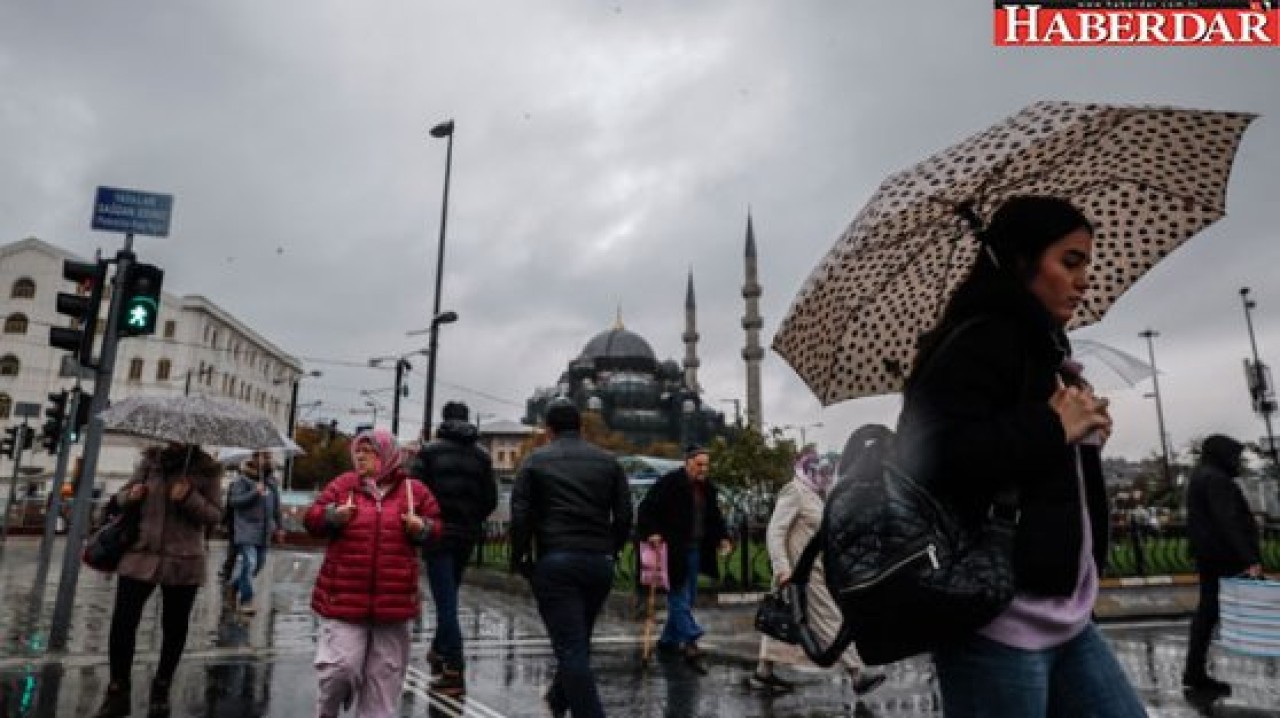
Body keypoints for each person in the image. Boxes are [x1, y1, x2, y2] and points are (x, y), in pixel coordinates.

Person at [893, 196, 1145, 716]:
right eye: (1070, 262)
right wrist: (1053, 428)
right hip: (997, 621)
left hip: (1066, 613)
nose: (1084, 281)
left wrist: (1085, 440)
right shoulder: (976, 341)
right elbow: (933, 457)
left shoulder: (1045, 351)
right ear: (1022, 261)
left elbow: (1032, 461)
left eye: (1086, 264)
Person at [304, 429, 442, 718]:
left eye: (370, 450)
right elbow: (312, 519)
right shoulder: (344, 486)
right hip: (344, 599)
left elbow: (437, 529)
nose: (361, 455)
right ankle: (327, 711)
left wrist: (422, 528)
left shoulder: (413, 491)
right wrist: (332, 516)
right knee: (339, 671)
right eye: (359, 449)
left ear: (388, 456)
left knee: (382, 688)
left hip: (393, 606)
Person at [510, 399, 633, 718]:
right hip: (598, 562)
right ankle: (557, 700)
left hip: (557, 560)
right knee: (579, 640)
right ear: (579, 427)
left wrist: (520, 557)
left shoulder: (535, 462)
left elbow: (521, 515)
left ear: (548, 430)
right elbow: (623, 515)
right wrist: (613, 549)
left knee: (571, 648)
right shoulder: (608, 462)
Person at [92, 443, 225, 718]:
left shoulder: (207, 470)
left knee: (174, 627)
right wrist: (131, 495)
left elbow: (215, 516)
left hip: (183, 561)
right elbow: (119, 498)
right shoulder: (150, 463)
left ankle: (162, 685)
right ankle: (118, 689)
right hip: (140, 554)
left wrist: (189, 497)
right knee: (123, 623)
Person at [752, 450, 886, 698]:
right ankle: (857, 673)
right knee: (832, 618)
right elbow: (774, 531)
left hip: (817, 572)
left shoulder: (818, 495)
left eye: (826, 472)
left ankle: (763, 671)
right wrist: (782, 568)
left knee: (787, 618)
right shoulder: (794, 492)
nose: (824, 477)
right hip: (801, 575)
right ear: (806, 470)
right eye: (819, 472)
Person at [409, 401, 498, 696]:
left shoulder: (429, 452)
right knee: (449, 593)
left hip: (438, 534)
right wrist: (472, 519)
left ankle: (454, 668)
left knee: (446, 601)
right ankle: (438, 649)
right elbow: (490, 499)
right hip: (467, 535)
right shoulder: (482, 456)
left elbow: (415, 494)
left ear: (444, 420)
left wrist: (426, 522)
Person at [636, 445, 732, 674]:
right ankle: (691, 640)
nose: (703, 469)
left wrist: (723, 538)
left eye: (706, 464)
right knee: (678, 595)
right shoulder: (669, 483)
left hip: (696, 549)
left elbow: (714, 517)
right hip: (672, 549)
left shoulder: (707, 488)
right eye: (699, 464)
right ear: (687, 462)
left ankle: (668, 641)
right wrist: (652, 532)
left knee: (688, 597)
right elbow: (646, 509)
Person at [1183, 433, 1263, 697]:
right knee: (1257, 608)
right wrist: (1250, 559)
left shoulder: (1200, 476)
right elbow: (1228, 521)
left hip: (1208, 556)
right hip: (1224, 557)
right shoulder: (1217, 480)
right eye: (1234, 456)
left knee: (1207, 613)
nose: (1237, 462)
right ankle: (1194, 671)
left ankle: (1194, 671)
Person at [226, 451, 285, 616]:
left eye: (268, 457)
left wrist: (279, 527)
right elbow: (234, 502)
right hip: (246, 529)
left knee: (257, 566)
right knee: (250, 563)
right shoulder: (242, 480)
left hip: (265, 531)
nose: (267, 460)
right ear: (254, 458)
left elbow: (277, 508)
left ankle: (234, 585)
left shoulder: (271, 482)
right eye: (263, 456)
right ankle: (246, 601)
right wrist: (254, 492)